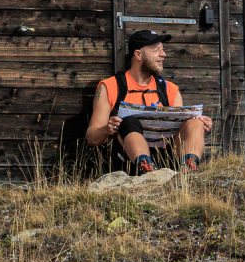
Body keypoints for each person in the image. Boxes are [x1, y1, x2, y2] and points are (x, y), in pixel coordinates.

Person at [84, 29, 215, 173]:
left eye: (163, 49)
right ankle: (147, 169)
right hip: (127, 162)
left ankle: (189, 169)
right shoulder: (109, 86)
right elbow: (92, 138)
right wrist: (107, 129)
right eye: (156, 50)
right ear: (138, 54)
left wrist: (201, 127)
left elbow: (181, 133)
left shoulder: (170, 89)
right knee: (128, 121)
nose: (163, 54)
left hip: (167, 159)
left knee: (195, 121)